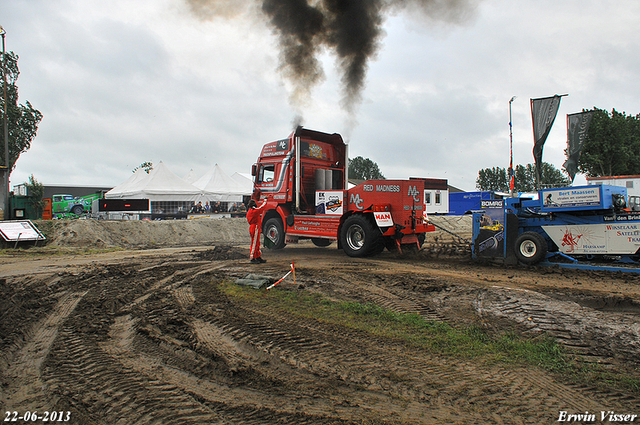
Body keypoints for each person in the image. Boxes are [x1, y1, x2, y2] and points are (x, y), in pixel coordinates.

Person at [246, 199, 267, 264]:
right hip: (255, 227)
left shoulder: (250, 211)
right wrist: (265, 201)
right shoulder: (253, 211)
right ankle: (252, 257)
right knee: (254, 243)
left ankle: (257, 256)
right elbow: (262, 208)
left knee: (257, 243)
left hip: (255, 227)